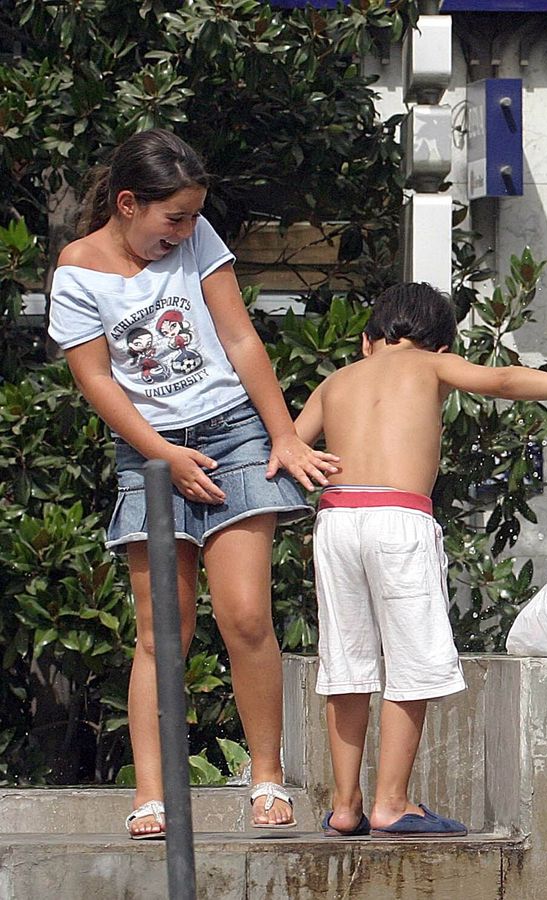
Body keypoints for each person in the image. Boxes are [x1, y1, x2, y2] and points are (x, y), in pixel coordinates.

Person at [48, 129, 340, 839]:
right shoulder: (77, 272)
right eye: (171, 219)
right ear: (126, 204)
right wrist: (163, 457)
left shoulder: (197, 237)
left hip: (232, 433)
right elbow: (96, 380)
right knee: (162, 635)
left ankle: (265, 776)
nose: (181, 231)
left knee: (245, 616)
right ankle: (151, 792)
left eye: (190, 218)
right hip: (149, 454)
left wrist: (281, 433)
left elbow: (240, 337)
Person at [294, 282, 547, 837]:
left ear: (367, 342)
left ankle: (344, 805)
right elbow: (503, 380)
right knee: (410, 664)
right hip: (398, 518)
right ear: (440, 345)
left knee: (347, 665)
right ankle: (391, 802)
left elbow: (291, 448)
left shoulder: (335, 381)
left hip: (336, 521)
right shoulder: (432, 366)